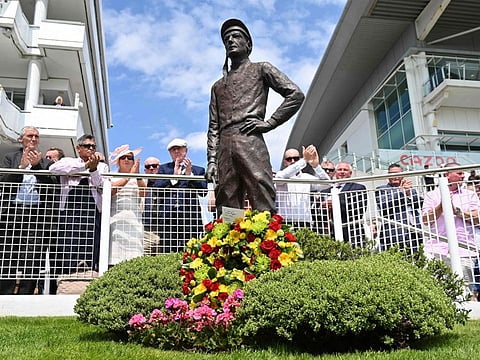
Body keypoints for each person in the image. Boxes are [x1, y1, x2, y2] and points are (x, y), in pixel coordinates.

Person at [206, 18, 305, 214]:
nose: (231, 41)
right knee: (227, 199)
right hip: (225, 146)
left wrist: (270, 123)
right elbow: (213, 127)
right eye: (227, 38)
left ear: (248, 44)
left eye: (236, 36)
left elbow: (295, 94)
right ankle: (229, 242)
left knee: (261, 190)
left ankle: (270, 241)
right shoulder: (217, 86)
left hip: (250, 138)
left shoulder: (261, 69)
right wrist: (211, 160)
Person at [0, 126, 58, 295]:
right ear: (21, 139)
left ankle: (26, 294)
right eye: (30, 136)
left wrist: (37, 167)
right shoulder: (10, 158)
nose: (34, 139)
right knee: (7, 253)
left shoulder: (45, 162)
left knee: (32, 256)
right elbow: (4, 181)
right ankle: (4, 294)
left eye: (36, 137)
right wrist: (21, 166)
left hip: (36, 215)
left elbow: (53, 186)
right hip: (13, 213)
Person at [49, 135, 108, 280]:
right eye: (87, 146)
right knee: (68, 245)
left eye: (93, 146)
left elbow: (101, 185)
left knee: (90, 245)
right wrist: (85, 166)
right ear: (78, 148)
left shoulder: (102, 166)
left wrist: (93, 170)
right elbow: (54, 168)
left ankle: (87, 280)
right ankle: (66, 281)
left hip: (92, 210)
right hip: (70, 210)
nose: (91, 149)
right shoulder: (69, 161)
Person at [151, 138, 207, 252]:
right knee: (167, 252)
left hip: (191, 218)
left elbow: (203, 192)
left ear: (185, 150)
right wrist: (173, 177)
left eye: (179, 149)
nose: (176, 152)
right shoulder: (164, 169)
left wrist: (189, 175)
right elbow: (156, 189)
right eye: (173, 150)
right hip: (168, 219)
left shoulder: (198, 170)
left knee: (192, 252)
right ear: (170, 153)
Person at [421, 163, 480, 257]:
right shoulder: (431, 195)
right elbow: (426, 220)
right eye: (459, 173)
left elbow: (477, 219)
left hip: (465, 249)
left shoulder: (470, 194)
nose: (463, 176)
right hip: (436, 249)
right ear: (446, 175)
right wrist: (442, 205)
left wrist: (456, 211)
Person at [275, 145, 329, 229]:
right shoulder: (280, 175)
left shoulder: (306, 177)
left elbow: (327, 184)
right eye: (289, 159)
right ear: (285, 162)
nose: (293, 161)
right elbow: (279, 178)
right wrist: (304, 160)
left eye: (296, 158)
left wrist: (316, 166)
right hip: (285, 221)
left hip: (304, 221)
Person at [108, 145, 145, 266]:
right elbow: (112, 190)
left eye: (130, 157)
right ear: (118, 161)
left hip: (134, 218)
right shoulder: (111, 176)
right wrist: (129, 177)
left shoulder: (139, 179)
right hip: (116, 218)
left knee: (134, 253)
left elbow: (144, 192)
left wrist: (137, 176)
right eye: (123, 157)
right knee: (115, 251)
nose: (127, 160)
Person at [317, 162, 368, 246]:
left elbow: (359, 209)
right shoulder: (325, 191)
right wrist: (321, 207)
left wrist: (336, 204)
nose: (342, 172)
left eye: (345, 170)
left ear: (350, 173)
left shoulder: (358, 188)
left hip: (351, 231)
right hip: (329, 232)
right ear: (335, 173)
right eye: (339, 169)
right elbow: (316, 211)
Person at [375, 163, 423, 252]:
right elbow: (384, 205)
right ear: (388, 176)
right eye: (392, 174)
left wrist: (408, 193)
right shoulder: (381, 189)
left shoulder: (411, 189)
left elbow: (420, 205)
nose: (396, 176)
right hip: (394, 232)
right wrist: (401, 191)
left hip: (414, 232)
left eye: (398, 174)